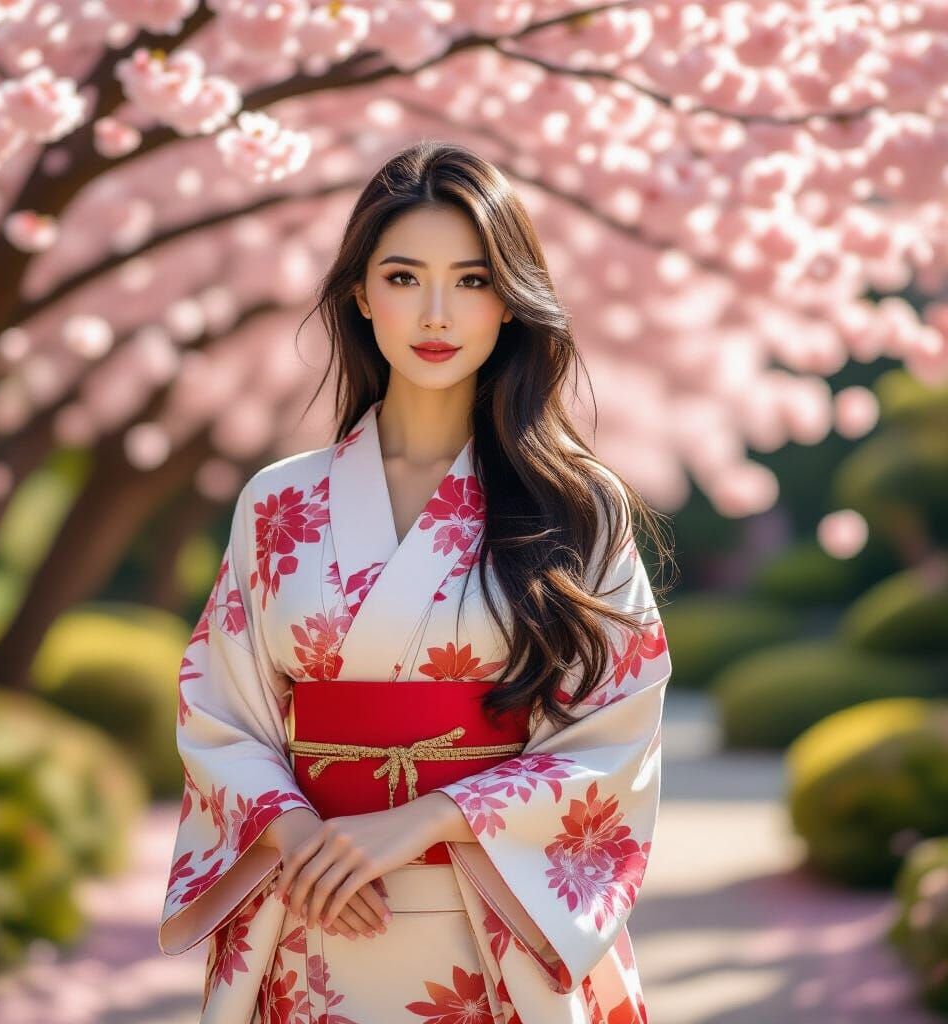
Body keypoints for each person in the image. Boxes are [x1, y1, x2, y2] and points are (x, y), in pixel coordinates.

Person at [158, 139, 673, 1024]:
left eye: (472, 281)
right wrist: (298, 837)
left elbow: (615, 735)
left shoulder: (578, 507)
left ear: (510, 302)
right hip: (315, 910)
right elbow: (220, 710)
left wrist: (421, 820)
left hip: (497, 920)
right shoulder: (279, 501)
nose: (437, 312)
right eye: (404, 277)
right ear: (361, 293)